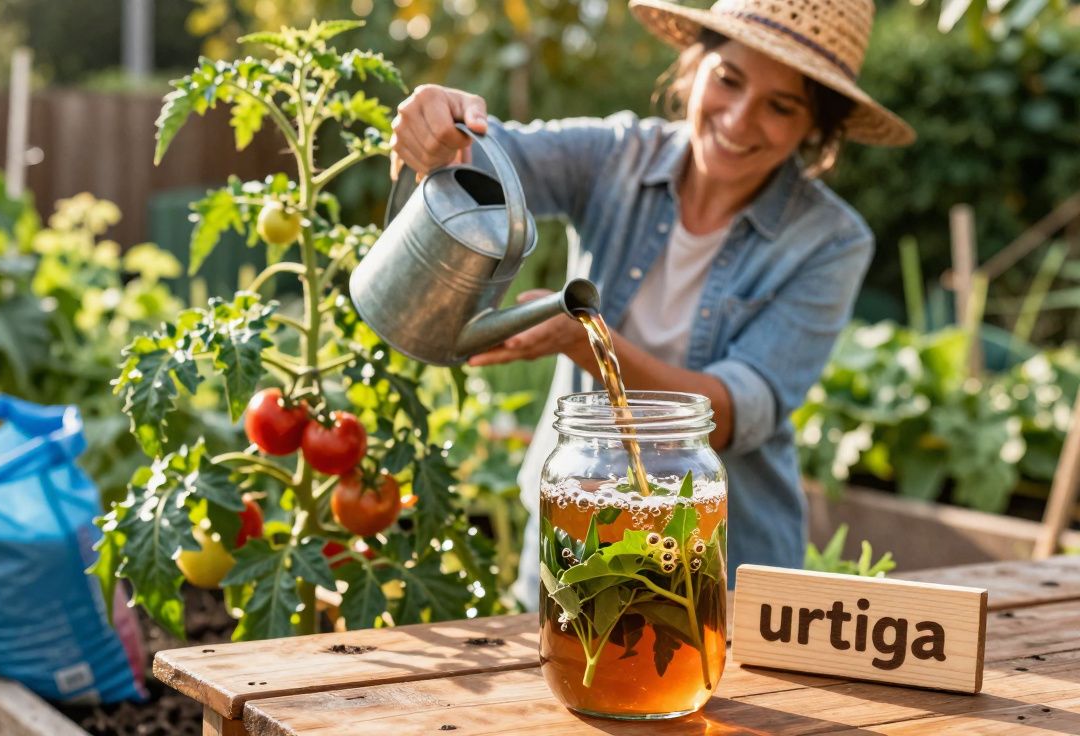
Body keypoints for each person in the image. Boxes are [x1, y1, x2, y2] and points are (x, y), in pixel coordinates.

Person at [389, 0, 914, 605]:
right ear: (692, 68)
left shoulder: (829, 240)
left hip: (718, 563)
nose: (741, 119)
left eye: (782, 105)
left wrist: (586, 340)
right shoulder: (616, 156)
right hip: (577, 542)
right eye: (728, 79)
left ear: (815, 129)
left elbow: (734, 412)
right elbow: (487, 158)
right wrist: (436, 130)